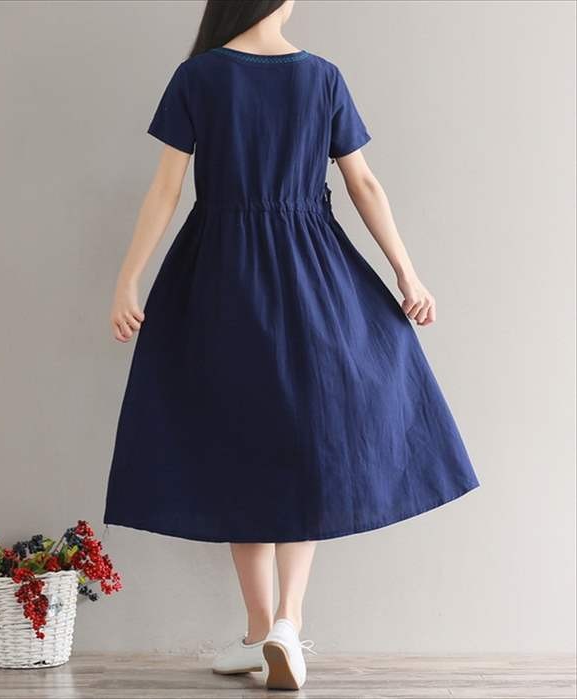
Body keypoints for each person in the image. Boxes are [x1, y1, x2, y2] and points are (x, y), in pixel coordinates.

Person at [103, 0, 479, 690]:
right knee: (307, 445)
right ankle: (285, 623)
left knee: (239, 443)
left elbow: (165, 188)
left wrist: (129, 280)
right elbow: (363, 182)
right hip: (313, 271)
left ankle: (258, 630)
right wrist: (407, 272)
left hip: (219, 274)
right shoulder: (321, 77)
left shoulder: (198, 76)